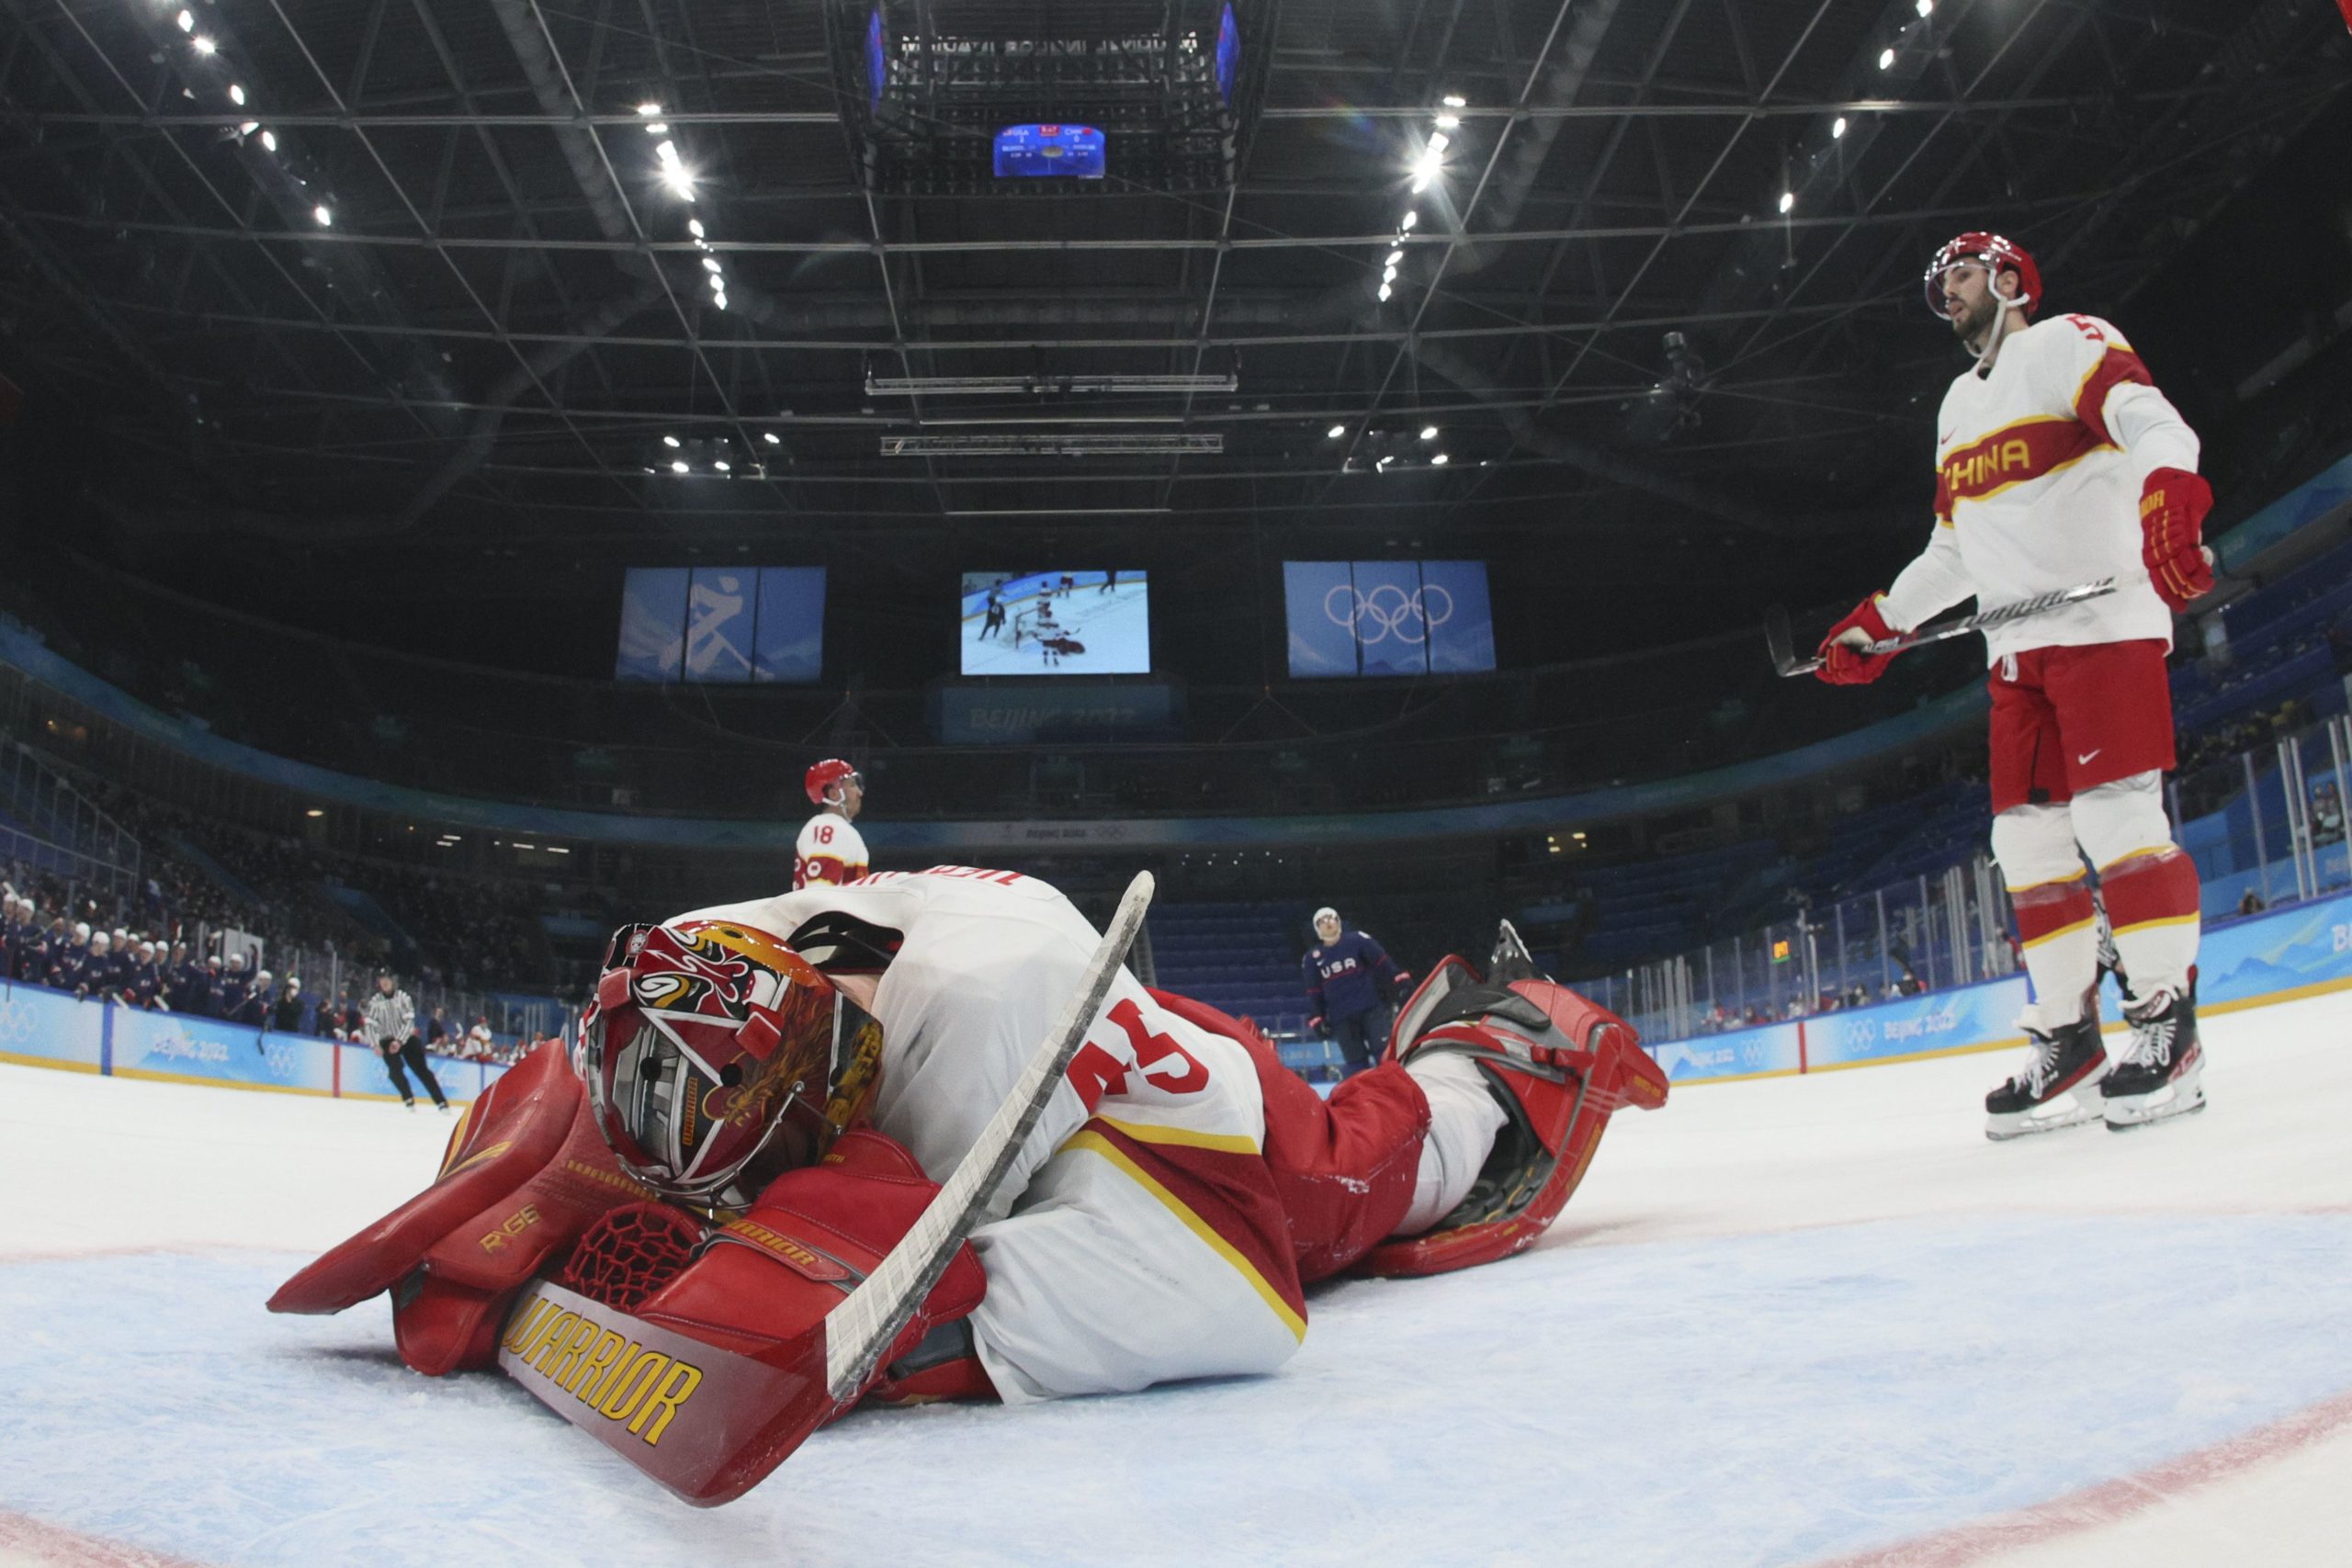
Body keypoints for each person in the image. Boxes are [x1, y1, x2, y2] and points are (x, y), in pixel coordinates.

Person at [269, 870, 1665, 1501]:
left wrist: (918, 1323)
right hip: (1074, 1032)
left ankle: (1502, 1042)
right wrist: (561, 1127)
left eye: (731, 1116)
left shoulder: (976, 1038)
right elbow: (678, 986)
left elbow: (1240, 1305)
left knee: (1363, 1178)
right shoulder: (757, 956)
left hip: (1197, 1130)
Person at [1814, 231, 2211, 1138]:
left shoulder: (2070, 338)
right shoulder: (1956, 404)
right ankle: (2069, 1039)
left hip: (2103, 626)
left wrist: (2169, 495)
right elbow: (1954, 549)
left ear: (2005, 276)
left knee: (2117, 821)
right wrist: (1882, 620)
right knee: (2024, 846)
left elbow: (2157, 425)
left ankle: (2165, 1025)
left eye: (1956, 274)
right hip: (2015, 654)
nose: (1943, 292)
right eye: (1936, 283)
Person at [1300, 906, 1411, 1074]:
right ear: (1317, 928)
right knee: (1355, 1065)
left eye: (1331, 918)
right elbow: (1314, 991)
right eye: (1322, 921)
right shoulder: (1311, 959)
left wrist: (1399, 980)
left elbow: (1382, 962)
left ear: (1338, 921)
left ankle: (1395, 1092)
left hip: (1371, 1009)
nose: (1328, 923)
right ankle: (1363, 1098)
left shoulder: (1358, 940)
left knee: (1384, 1055)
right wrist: (1318, 1018)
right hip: (1342, 1018)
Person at [362, 970, 447, 1112]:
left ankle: (441, 1102)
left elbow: (409, 1022)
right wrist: (375, 1044)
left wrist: (399, 1041)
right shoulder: (375, 1001)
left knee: (422, 1071)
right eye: (381, 980)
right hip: (386, 1041)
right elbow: (370, 1024)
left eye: (387, 979)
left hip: (407, 1039)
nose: (384, 982)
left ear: (392, 981)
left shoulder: (403, 997)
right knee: (394, 1071)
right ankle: (408, 1098)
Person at [793, 758, 869, 890]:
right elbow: (821, 894)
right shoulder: (830, 828)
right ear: (834, 794)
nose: (859, 792)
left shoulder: (832, 826)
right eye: (852, 785)